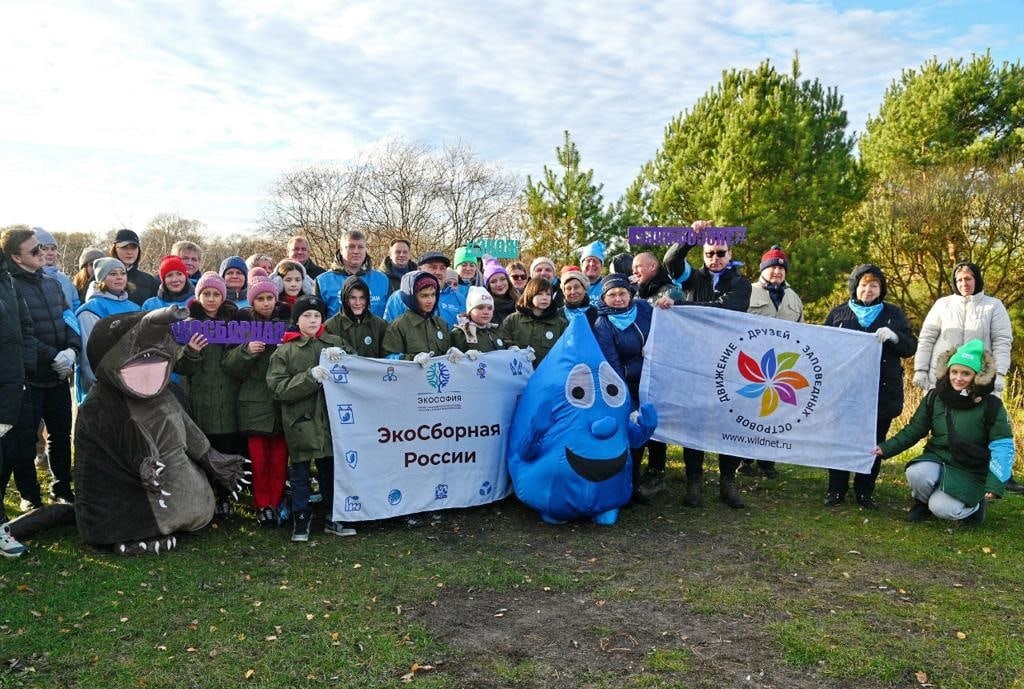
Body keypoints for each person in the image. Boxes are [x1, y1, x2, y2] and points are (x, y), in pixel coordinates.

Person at [875, 339, 1015, 525]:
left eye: (966, 373)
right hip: (938, 458)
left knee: (942, 509)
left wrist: (995, 483)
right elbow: (915, 429)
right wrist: (885, 448)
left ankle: (975, 505)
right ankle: (922, 504)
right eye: (954, 372)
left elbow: (1002, 446)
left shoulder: (992, 406)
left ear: (978, 376)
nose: (958, 378)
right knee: (917, 473)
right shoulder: (935, 397)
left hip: (971, 468)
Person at [661, 229, 753, 508]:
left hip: (730, 363)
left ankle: (727, 483)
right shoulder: (695, 278)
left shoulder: (741, 283)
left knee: (728, 422)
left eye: (720, 253)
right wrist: (690, 236)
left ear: (730, 254)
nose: (715, 258)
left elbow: (725, 310)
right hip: (695, 363)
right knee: (695, 423)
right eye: (709, 253)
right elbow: (670, 262)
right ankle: (694, 483)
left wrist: (682, 306)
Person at [911, 261, 1019, 492]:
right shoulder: (943, 305)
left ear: (977, 279)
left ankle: (996, 475)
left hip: (979, 380)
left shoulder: (993, 306)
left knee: (985, 425)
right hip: (943, 378)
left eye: (968, 279)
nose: (964, 284)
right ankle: (932, 473)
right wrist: (920, 369)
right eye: (959, 280)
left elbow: (1002, 340)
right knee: (938, 423)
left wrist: (999, 373)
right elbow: (927, 337)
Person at [822, 264, 917, 509]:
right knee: (841, 440)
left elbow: (909, 346)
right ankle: (836, 489)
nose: (868, 290)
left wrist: (895, 337)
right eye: (864, 285)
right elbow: (823, 347)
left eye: (874, 285)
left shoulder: (893, 314)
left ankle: (865, 491)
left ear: (881, 288)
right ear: (855, 287)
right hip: (846, 391)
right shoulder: (839, 314)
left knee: (874, 442)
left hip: (881, 391)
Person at [2, 227, 81, 509]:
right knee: (24, 441)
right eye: (34, 250)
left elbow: (68, 316)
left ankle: (61, 488)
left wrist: (72, 350)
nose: (42, 254)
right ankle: (29, 496)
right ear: (16, 257)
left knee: (61, 435)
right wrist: (53, 356)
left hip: (59, 375)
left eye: (43, 248)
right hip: (30, 377)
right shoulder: (9, 287)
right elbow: (23, 333)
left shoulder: (52, 284)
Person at [267, 295, 356, 541]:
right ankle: (301, 518)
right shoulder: (286, 350)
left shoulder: (334, 342)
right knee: (300, 474)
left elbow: (358, 370)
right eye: (307, 315)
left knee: (331, 472)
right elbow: (278, 388)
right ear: (297, 320)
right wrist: (310, 377)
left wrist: (346, 357)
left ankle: (333, 515)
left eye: (317, 316)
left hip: (331, 421)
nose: (313, 320)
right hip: (300, 422)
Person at [174, 271, 243, 518]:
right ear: (198, 296)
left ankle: (227, 497)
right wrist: (191, 351)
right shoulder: (188, 324)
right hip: (200, 400)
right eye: (206, 294)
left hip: (230, 398)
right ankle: (207, 496)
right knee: (204, 449)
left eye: (216, 294)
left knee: (228, 447)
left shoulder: (235, 323)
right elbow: (180, 367)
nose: (211, 299)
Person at [224, 276, 291, 528]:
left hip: (281, 403)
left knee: (279, 460)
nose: (266, 303)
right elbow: (229, 366)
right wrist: (246, 352)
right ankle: (262, 505)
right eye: (260, 299)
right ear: (253, 301)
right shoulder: (243, 326)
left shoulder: (286, 325)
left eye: (270, 298)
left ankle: (276, 502)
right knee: (259, 462)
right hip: (253, 405)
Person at [593, 273, 660, 505]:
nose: (618, 298)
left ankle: (635, 482)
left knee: (644, 433)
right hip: (623, 387)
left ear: (630, 294)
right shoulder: (603, 324)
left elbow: (665, 329)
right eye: (612, 295)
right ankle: (623, 487)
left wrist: (668, 302)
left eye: (622, 293)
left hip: (651, 382)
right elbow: (611, 365)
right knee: (628, 432)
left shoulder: (644, 309)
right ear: (604, 298)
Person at [740, 245, 805, 479]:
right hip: (750, 364)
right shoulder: (746, 291)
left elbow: (802, 332)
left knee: (774, 414)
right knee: (748, 412)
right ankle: (744, 459)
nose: (777, 272)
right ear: (763, 270)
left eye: (781, 268)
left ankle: (767, 462)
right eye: (772, 267)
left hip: (781, 367)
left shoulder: (794, 298)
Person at [629, 251, 676, 498]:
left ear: (653, 266)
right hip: (637, 363)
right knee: (638, 412)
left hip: (660, 363)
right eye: (634, 267)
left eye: (639, 267)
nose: (635, 271)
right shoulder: (635, 289)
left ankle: (657, 469)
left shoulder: (669, 290)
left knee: (655, 414)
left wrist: (671, 303)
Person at [0, 240, 34, 556]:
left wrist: (27, 363)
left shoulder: (7, 280)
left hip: (11, 386)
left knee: (7, 456)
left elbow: (24, 328)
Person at [74, 258, 141, 403]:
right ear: (101, 279)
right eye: (112, 274)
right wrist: (98, 387)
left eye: (122, 273)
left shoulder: (135, 308)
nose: (119, 277)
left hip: (130, 385)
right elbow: (88, 353)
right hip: (101, 388)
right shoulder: (91, 309)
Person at [314, 230, 390, 318]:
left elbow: (390, 317)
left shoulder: (383, 280)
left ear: (365, 250)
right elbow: (317, 319)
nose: (356, 251)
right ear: (341, 250)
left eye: (360, 247)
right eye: (351, 247)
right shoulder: (323, 281)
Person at [383, 271, 454, 361]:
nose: (430, 300)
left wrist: (453, 353)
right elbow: (388, 357)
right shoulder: (398, 326)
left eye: (433, 294)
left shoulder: (440, 324)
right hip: (411, 374)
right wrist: (411, 359)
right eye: (424, 296)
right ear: (412, 298)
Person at [383, 251, 466, 327]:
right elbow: (390, 331)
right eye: (433, 267)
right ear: (419, 269)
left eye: (442, 268)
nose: (438, 272)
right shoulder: (400, 297)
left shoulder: (459, 299)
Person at [498, 277, 568, 367]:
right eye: (540, 294)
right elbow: (501, 339)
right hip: (518, 373)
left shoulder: (560, 323)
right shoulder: (513, 320)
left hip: (546, 373)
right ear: (530, 294)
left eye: (548, 294)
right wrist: (511, 346)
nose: (544, 298)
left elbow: (565, 350)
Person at [324, 276, 387, 357]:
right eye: (352, 298)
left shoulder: (380, 325)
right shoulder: (330, 326)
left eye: (362, 298)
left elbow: (387, 358)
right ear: (344, 298)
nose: (358, 303)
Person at [34, 228, 79, 311]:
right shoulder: (31, 278)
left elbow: (75, 304)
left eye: (53, 249)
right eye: (44, 248)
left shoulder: (63, 278)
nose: (50, 253)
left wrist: (72, 322)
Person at [110, 229, 158, 305]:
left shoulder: (149, 281)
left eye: (134, 247)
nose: (129, 252)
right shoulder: (101, 278)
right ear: (115, 249)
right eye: (124, 247)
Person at [452, 286, 503, 353]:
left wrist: (512, 347)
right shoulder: (459, 334)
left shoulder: (496, 331)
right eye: (480, 308)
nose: (486, 312)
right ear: (470, 311)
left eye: (490, 308)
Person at [482, 257, 517, 325]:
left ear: (508, 280)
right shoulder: (486, 308)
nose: (499, 284)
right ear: (488, 286)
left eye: (502, 279)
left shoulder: (519, 301)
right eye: (493, 281)